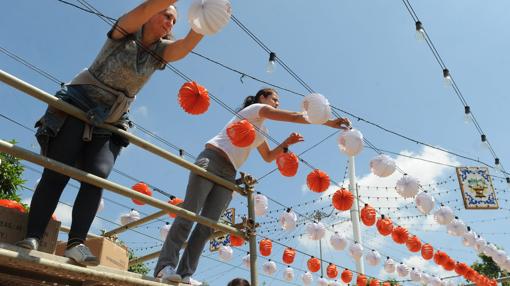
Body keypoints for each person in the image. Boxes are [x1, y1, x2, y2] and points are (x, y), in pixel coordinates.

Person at [16, 0, 204, 266]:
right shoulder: (125, 31)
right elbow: (140, 11)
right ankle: (33, 235)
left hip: (111, 119)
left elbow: (184, 47)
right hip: (77, 105)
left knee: (98, 177)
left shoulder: (160, 53)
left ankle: (76, 243)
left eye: (174, 21)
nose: (170, 22)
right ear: (151, 14)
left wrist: (207, 20)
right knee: (57, 170)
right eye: (166, 15)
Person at [154, 88, 351, 285]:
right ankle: (165, 266)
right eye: (275, 99)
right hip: (212, 159)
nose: (277, 103)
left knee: (208, 224)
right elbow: (293, 116)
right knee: (190, 211)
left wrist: (286, 143)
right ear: (262, 98)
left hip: (229, 172)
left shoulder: (262, 130)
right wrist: (328, 122)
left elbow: (267, 157)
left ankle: (185, 273)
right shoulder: (255, 110)